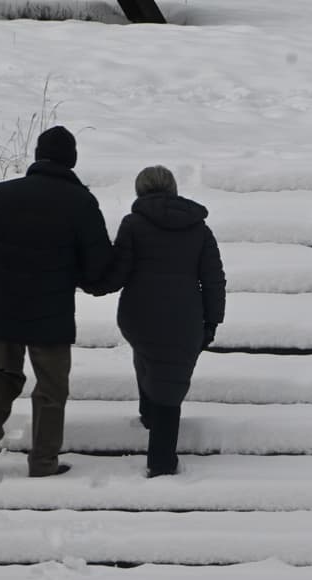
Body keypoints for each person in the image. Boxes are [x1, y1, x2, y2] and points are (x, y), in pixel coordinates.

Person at [0, 126, 112, 477]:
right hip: (52, 311)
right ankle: (43, 461)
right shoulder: (81, 202)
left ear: (37, 155)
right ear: (71, 159)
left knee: (3, 371)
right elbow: (97, 264)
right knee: (51, 386)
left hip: (5, 304)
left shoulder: (2, 194)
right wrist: (92, 283)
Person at [92, 165, 225, 477]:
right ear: (174, 189)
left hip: (138, 315)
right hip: (185, 318)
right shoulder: (199, 229)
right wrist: (212, 321)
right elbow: (213, 280)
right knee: (170, 378)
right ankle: (162, 461)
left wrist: (89, 279)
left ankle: (149, 414)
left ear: (140, 191)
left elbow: (118, 273)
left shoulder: (133, 225)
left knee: (150, 357)